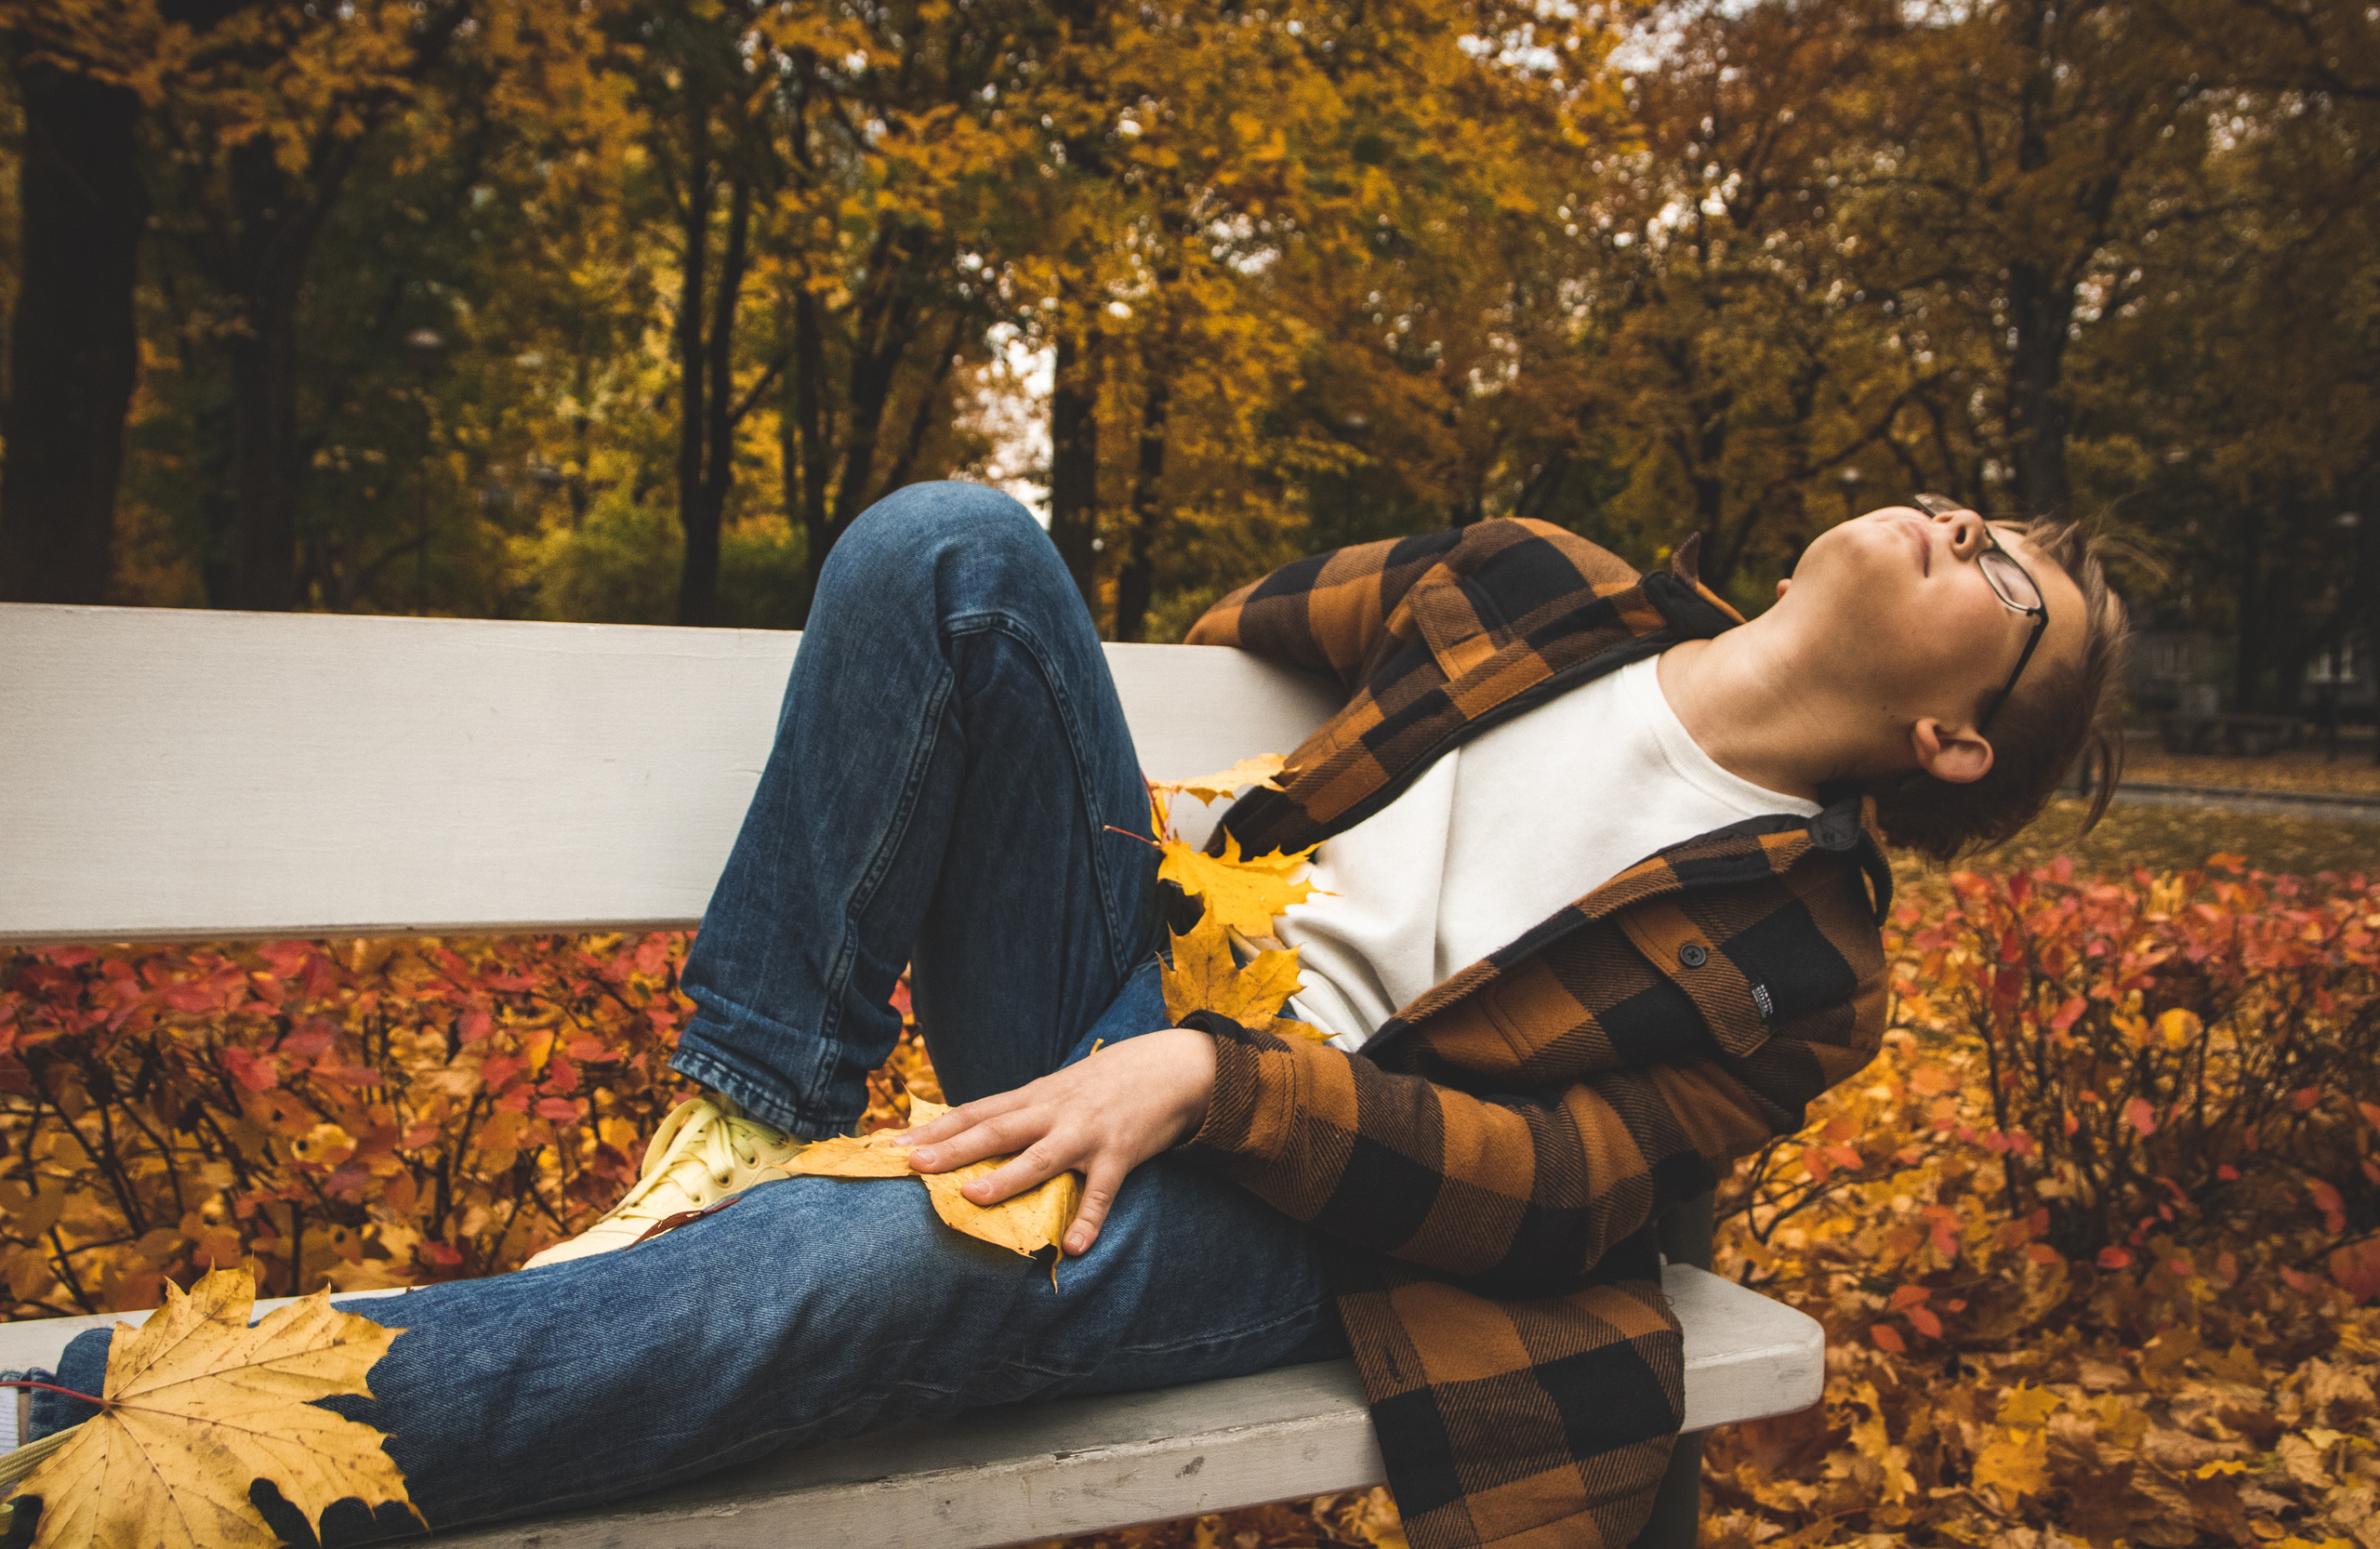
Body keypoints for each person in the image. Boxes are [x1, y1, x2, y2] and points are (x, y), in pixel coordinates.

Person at [24, 481, 2128, 1548]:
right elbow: (1197, 639)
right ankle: (754, 1105)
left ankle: (137, 1444)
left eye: (2007, 579)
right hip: (1130, 983)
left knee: (883, 1255)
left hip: (1307, 1205)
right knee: (953, 544)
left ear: (1949, 735)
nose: (1962, 518)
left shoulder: (1802, 960)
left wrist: (1221, 1079)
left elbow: (1556, 1193)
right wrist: (1208, 823)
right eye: (1979, 505)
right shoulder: (1541, 584)